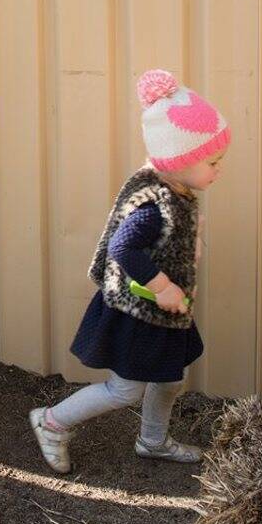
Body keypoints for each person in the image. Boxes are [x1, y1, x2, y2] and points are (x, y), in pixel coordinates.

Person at [29, 69, 228, 473]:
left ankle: (152, 441)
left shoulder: (179, 192)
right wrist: (163, 285)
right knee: (125, 389)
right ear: (180, 160)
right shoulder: (153, 205)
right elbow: (123, 248)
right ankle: (51, 422)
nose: (218, 169)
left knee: (170, 378)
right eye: (212, 161)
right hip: (138, 312)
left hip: (164, 312)